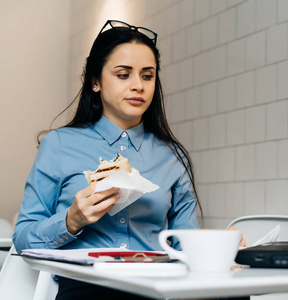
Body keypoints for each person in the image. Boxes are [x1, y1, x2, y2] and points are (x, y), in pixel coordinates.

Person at [13, 20, 244, 300]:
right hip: (86, 288)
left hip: (157, 287)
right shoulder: (59, 145)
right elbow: (23, 238)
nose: (138, 86)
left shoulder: (172, 156)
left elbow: (183, 244)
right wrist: (71, 220)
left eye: (147, 76)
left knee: (234, 294)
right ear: (95, 81)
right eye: (124, 75)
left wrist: (219, 248)